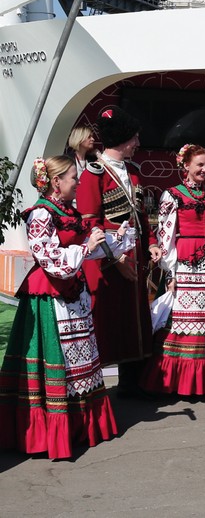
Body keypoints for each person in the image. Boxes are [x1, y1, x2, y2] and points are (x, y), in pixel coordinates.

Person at [0, 156, 135, 459]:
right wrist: (86, 248)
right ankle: (47, 432)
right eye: (74, 177)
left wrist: (117, 240)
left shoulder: (67, 211)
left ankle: (80, 425)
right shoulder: (40, 215)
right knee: (58, 361)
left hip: (72, 295)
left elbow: (87, 249)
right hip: (51, 298)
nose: (78, 182)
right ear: (56, 182)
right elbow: (48, 259)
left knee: (81, 362)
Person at [141, 144, 205, 395]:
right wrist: (171, 272)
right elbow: (166, 234)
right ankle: (182, 380)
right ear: (185, 165)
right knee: (185, 317)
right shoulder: (173, 195)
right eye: (200, 164)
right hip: (187, 262)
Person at [77, 107, 158, 397]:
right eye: (134, 138)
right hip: (107, 263)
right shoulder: (93, 173)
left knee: (134, 317)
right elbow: (90, 224)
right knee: (107, 321)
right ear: (123, 138)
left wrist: (150, 244)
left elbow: (141, 217)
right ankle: (93, 386)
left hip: (134, 256)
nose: (137, 143)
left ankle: (132, 380)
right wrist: (115, 261)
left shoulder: (133, 174)